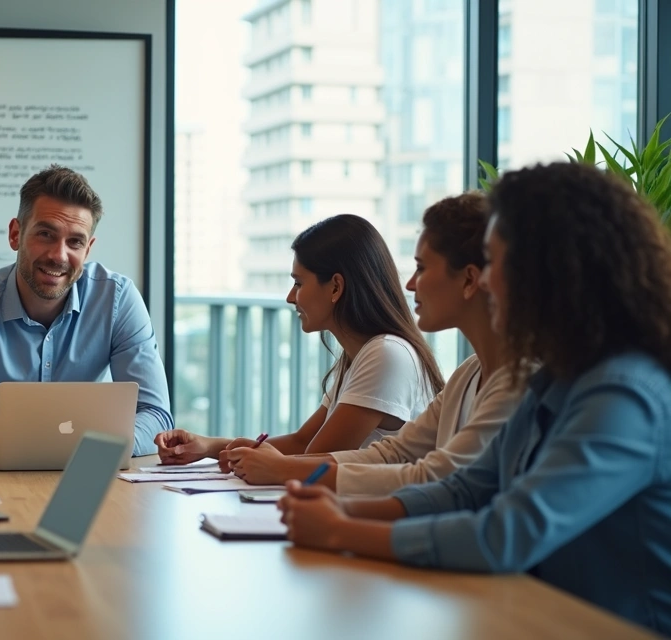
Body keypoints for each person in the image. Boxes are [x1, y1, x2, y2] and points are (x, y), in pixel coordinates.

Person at [279, 162, 671, 634]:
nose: (483, 281)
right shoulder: (560, 377)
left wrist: (340, 530)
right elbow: (466, 489)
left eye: (494, 262)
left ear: (549, 272)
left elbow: (507, 534)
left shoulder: (623, 394)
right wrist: (344, 509)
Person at [224, 193, 529, 495]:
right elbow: (392, 454)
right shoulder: (467, 374)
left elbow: (435, 476)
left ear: (470, 280)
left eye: (421, 268)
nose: (410, 284)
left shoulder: (517, 381)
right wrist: (272, 464)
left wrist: (292, 476)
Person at [0, 164, 172, 470]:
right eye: (45, 234)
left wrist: (96, 451)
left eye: (75, 242)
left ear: (88, 249)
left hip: (87, 474)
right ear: (15, 234)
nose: (59, 255)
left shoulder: (117, 300)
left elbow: (156, 415)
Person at [156, 214, 444, 462]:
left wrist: (253, 459)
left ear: (336, 287)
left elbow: (312, 460)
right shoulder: (362, 355)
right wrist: (209, 447)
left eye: (298, 283)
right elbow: (302, 442)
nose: (290, 297)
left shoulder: (386, 354)